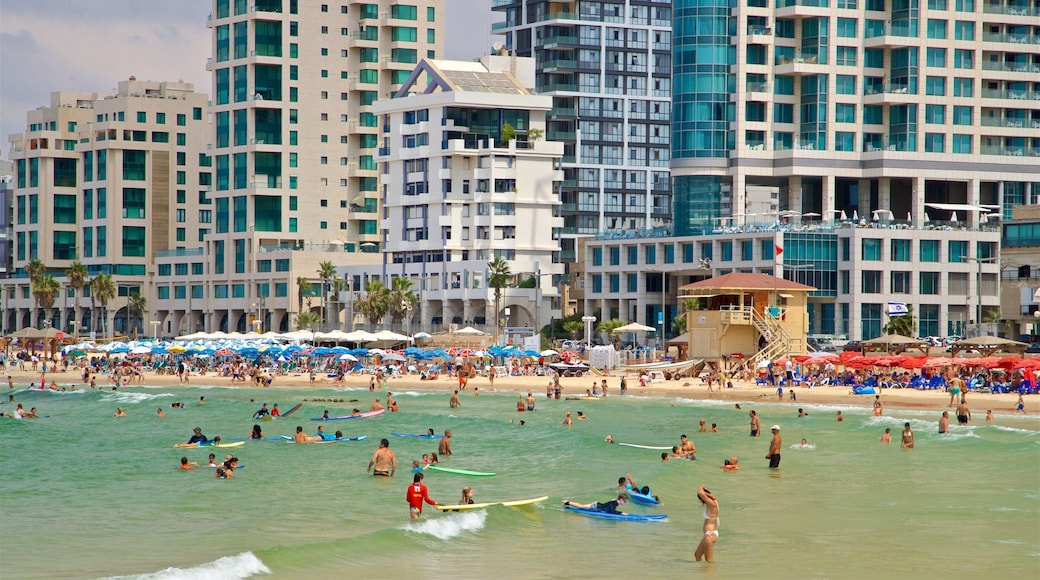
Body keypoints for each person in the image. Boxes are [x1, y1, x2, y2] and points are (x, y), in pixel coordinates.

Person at [694, 486, 719, 563]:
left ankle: (711, 574)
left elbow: (700, 492)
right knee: (697, 555)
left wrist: (701, 487)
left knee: (709, 560)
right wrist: (703, 488)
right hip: (707, 535)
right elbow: (707, 494)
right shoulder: (713, 502)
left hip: (710, 535)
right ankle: (703, 574)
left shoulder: (713, 505)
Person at [562, 492, 629, 514]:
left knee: (582, 507)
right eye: (625, 501)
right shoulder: (614, 503)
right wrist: (621, 513)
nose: (625, 503)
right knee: (581, 506)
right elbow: (612, 511)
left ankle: (567, 505)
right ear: (621, 499)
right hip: (595, 506)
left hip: (597, 505)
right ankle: (567, 502)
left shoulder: (615, 501)